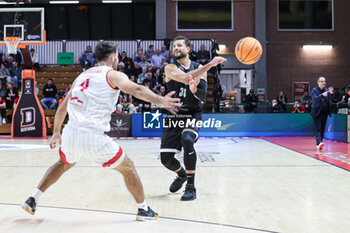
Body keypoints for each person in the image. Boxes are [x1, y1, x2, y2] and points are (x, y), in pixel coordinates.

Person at [21, 41, 181, 221]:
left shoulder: (81, 77)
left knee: (63, 163)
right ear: (113, 58)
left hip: (70, 133)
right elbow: (136, 89)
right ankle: (143, 210)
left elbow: (61, 109)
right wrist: (162, 101)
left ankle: (33, 198)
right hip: (92, 136)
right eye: (118, 56)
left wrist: (56, 132)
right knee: (128, 167)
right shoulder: (112, 75)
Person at [160, 35, 226, 201]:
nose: (175, 48)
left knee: (187, 138)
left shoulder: (199, 68)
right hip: (174, 115)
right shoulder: (169, 67)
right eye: (174, 46)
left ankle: (190, 186)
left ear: (188, 49)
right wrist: (210, 64)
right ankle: (181, 175)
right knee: (166, 159)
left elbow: (203, 95)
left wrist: (195, 90)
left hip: (192, 114)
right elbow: (184, 77)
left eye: (179, 46)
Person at [310, 76, 334, 150]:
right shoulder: (314, 90)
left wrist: (331, 94)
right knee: (318, 128)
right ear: (318, 82)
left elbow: (330, 99)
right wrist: (322, 95)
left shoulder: (326, 89)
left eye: (324, 81)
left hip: (325, 112)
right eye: (322, 81)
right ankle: (319, 142)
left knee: (322, 128)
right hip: (317, 112)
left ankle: (319, 143)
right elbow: (314, 99)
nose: (324, 83)